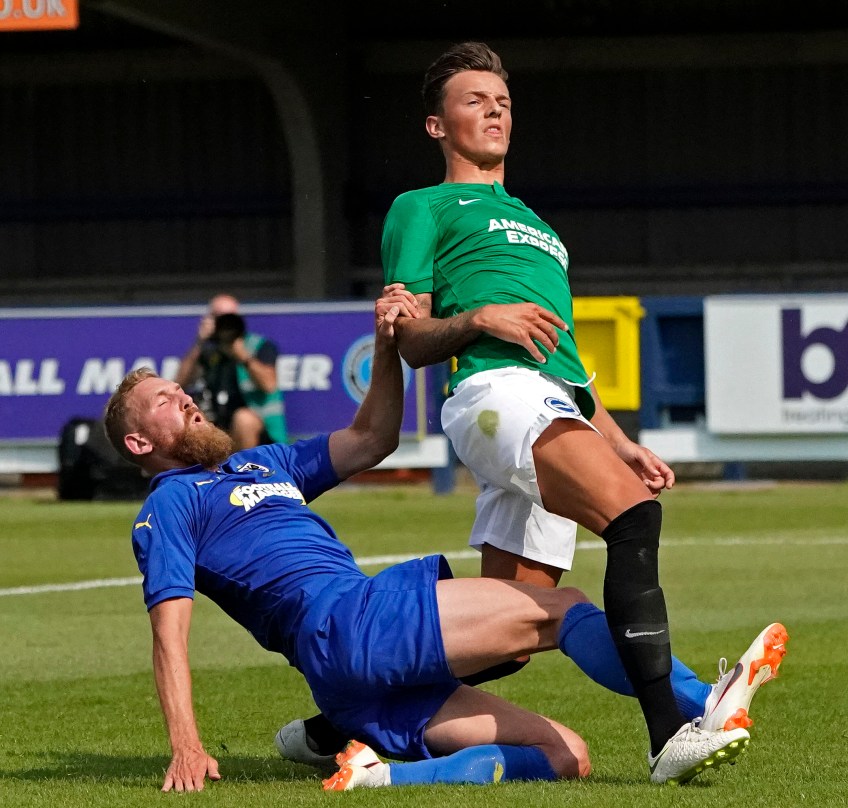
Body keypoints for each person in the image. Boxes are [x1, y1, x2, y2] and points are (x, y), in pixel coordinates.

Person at [104, 301, 786, 792]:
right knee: (560, 609)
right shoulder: (170, 504)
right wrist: (186, 745)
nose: (185, 398)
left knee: (566, 757)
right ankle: (700, 701)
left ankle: (379, 777)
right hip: (348, 623)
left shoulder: (262, 464)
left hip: (347, 682)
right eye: (164, 401)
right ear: (139, 442)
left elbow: (372, 439)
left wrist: (387, 347)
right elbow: (170, 633)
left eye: (180, 390)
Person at [372, 40, 760, 775]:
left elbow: (567, 364)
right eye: (475, 101)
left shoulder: (542, 230)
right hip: (494, 395)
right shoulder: (420, 207)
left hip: (551, 401)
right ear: (436, 126)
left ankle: (342, 717)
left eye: (503, 102)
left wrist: (616, 440)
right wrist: (480, 318)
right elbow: (411, 340)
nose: (495, 111)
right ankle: (672, 731)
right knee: (633, 518)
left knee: (510, 629)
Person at [175, 294, 287, 450]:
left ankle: (244, 465)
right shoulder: (209, 350)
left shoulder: (258, 345)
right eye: (219, 317)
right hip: (221, 424)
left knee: (243, 420)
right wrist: (199, 343)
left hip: (263, 432)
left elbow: (269, 385)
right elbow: (180, 383)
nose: (225, 324)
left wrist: (242, 355)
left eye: (229, 318)